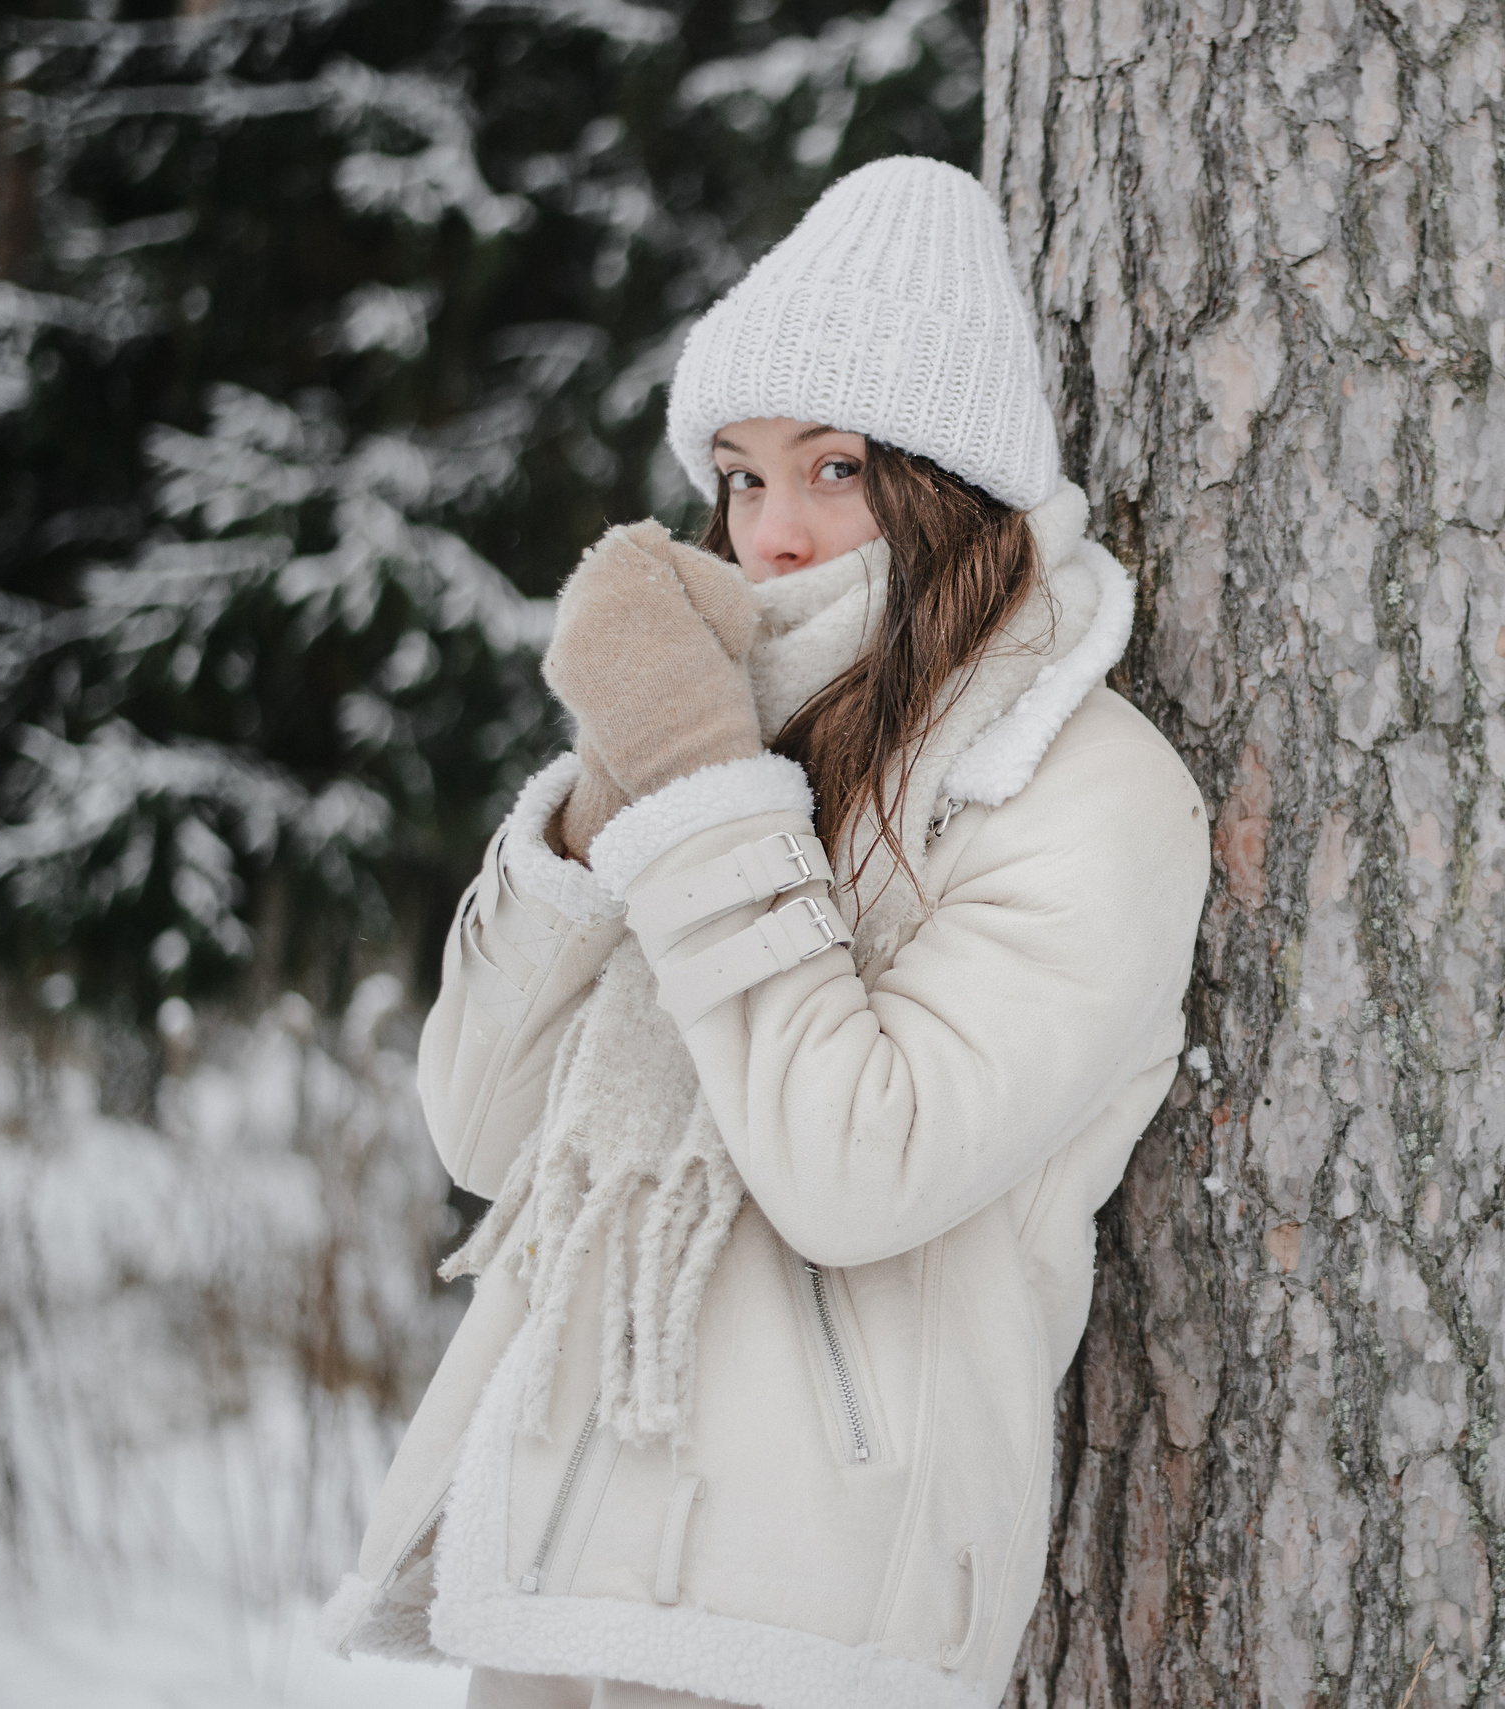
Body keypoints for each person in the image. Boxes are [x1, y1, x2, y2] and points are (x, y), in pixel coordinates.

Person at [321, 156, 1211, 1709]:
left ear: (948, 477)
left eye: (835, 467)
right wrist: (614, 797)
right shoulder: (722, 745)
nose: (774, 533)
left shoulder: (1082, 787)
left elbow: (854, 1174)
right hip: (560, 1565)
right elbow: (479, 1122)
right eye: (739, 475)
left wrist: (702, 791)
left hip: (818, 1612)